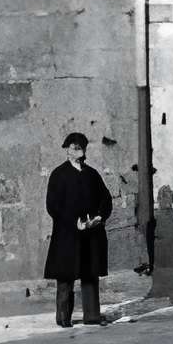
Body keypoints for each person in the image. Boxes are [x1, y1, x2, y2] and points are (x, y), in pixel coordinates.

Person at [43, 131, 114, 328]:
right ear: (67, 151)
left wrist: (100, 216)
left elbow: (105, 199)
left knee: (90, 274)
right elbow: (53, 206)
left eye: (80, 148)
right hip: (67, 234)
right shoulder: (59, 175)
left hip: (91, 233)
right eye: (73, 148)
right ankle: (63, 317)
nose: (76, 151)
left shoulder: (92, 174)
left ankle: (92, 316)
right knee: (66, 277)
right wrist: (73, 222)